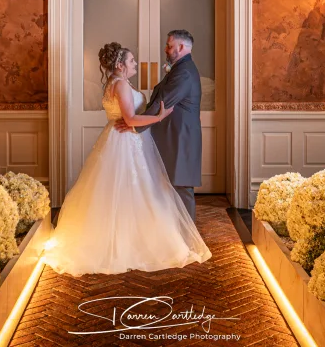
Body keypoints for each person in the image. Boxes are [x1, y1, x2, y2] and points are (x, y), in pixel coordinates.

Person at [42, 42, 212, 276]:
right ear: (120, 65)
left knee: (133, 189)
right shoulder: (120, 85)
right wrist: (159, 117)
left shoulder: (119, 82)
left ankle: (131, 235)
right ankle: (126, 242)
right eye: (132, 61)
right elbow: (130, 120)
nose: (135, 64)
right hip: (124, 141)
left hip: (127, 140)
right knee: (130, 189)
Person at [115, 30, 202, 222]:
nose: (166, 49)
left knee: (181, 186)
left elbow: (163, 103)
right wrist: (135, 121)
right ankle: (175, 230)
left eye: (169, 46)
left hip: (181, 138)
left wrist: (134, 124)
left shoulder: (185, 72)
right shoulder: (180, 68)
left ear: (181, 47)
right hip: (174, 136)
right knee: (171, 185)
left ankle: (188, 237)